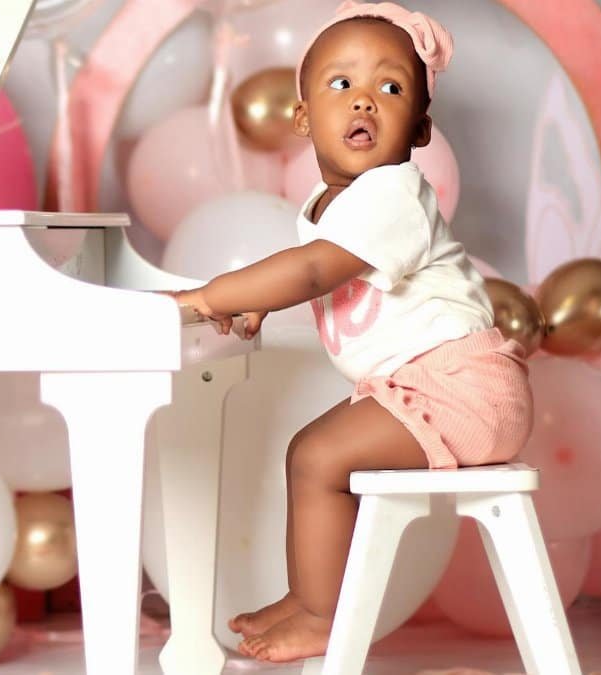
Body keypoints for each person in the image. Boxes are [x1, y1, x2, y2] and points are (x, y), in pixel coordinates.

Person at [170, 1, 533, 662]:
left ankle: (318, 612)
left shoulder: (393, 194)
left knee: (316, 457)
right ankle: (311, 594)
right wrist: (260, 307)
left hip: (463, 387)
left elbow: (312, 271)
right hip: (424, 379)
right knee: (309, 450)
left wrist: (210, 295)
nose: (364, 101)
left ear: (419, 130)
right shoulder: (332, 205)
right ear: (304, 115)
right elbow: (331, 281)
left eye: (389, 89)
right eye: (342, 85)